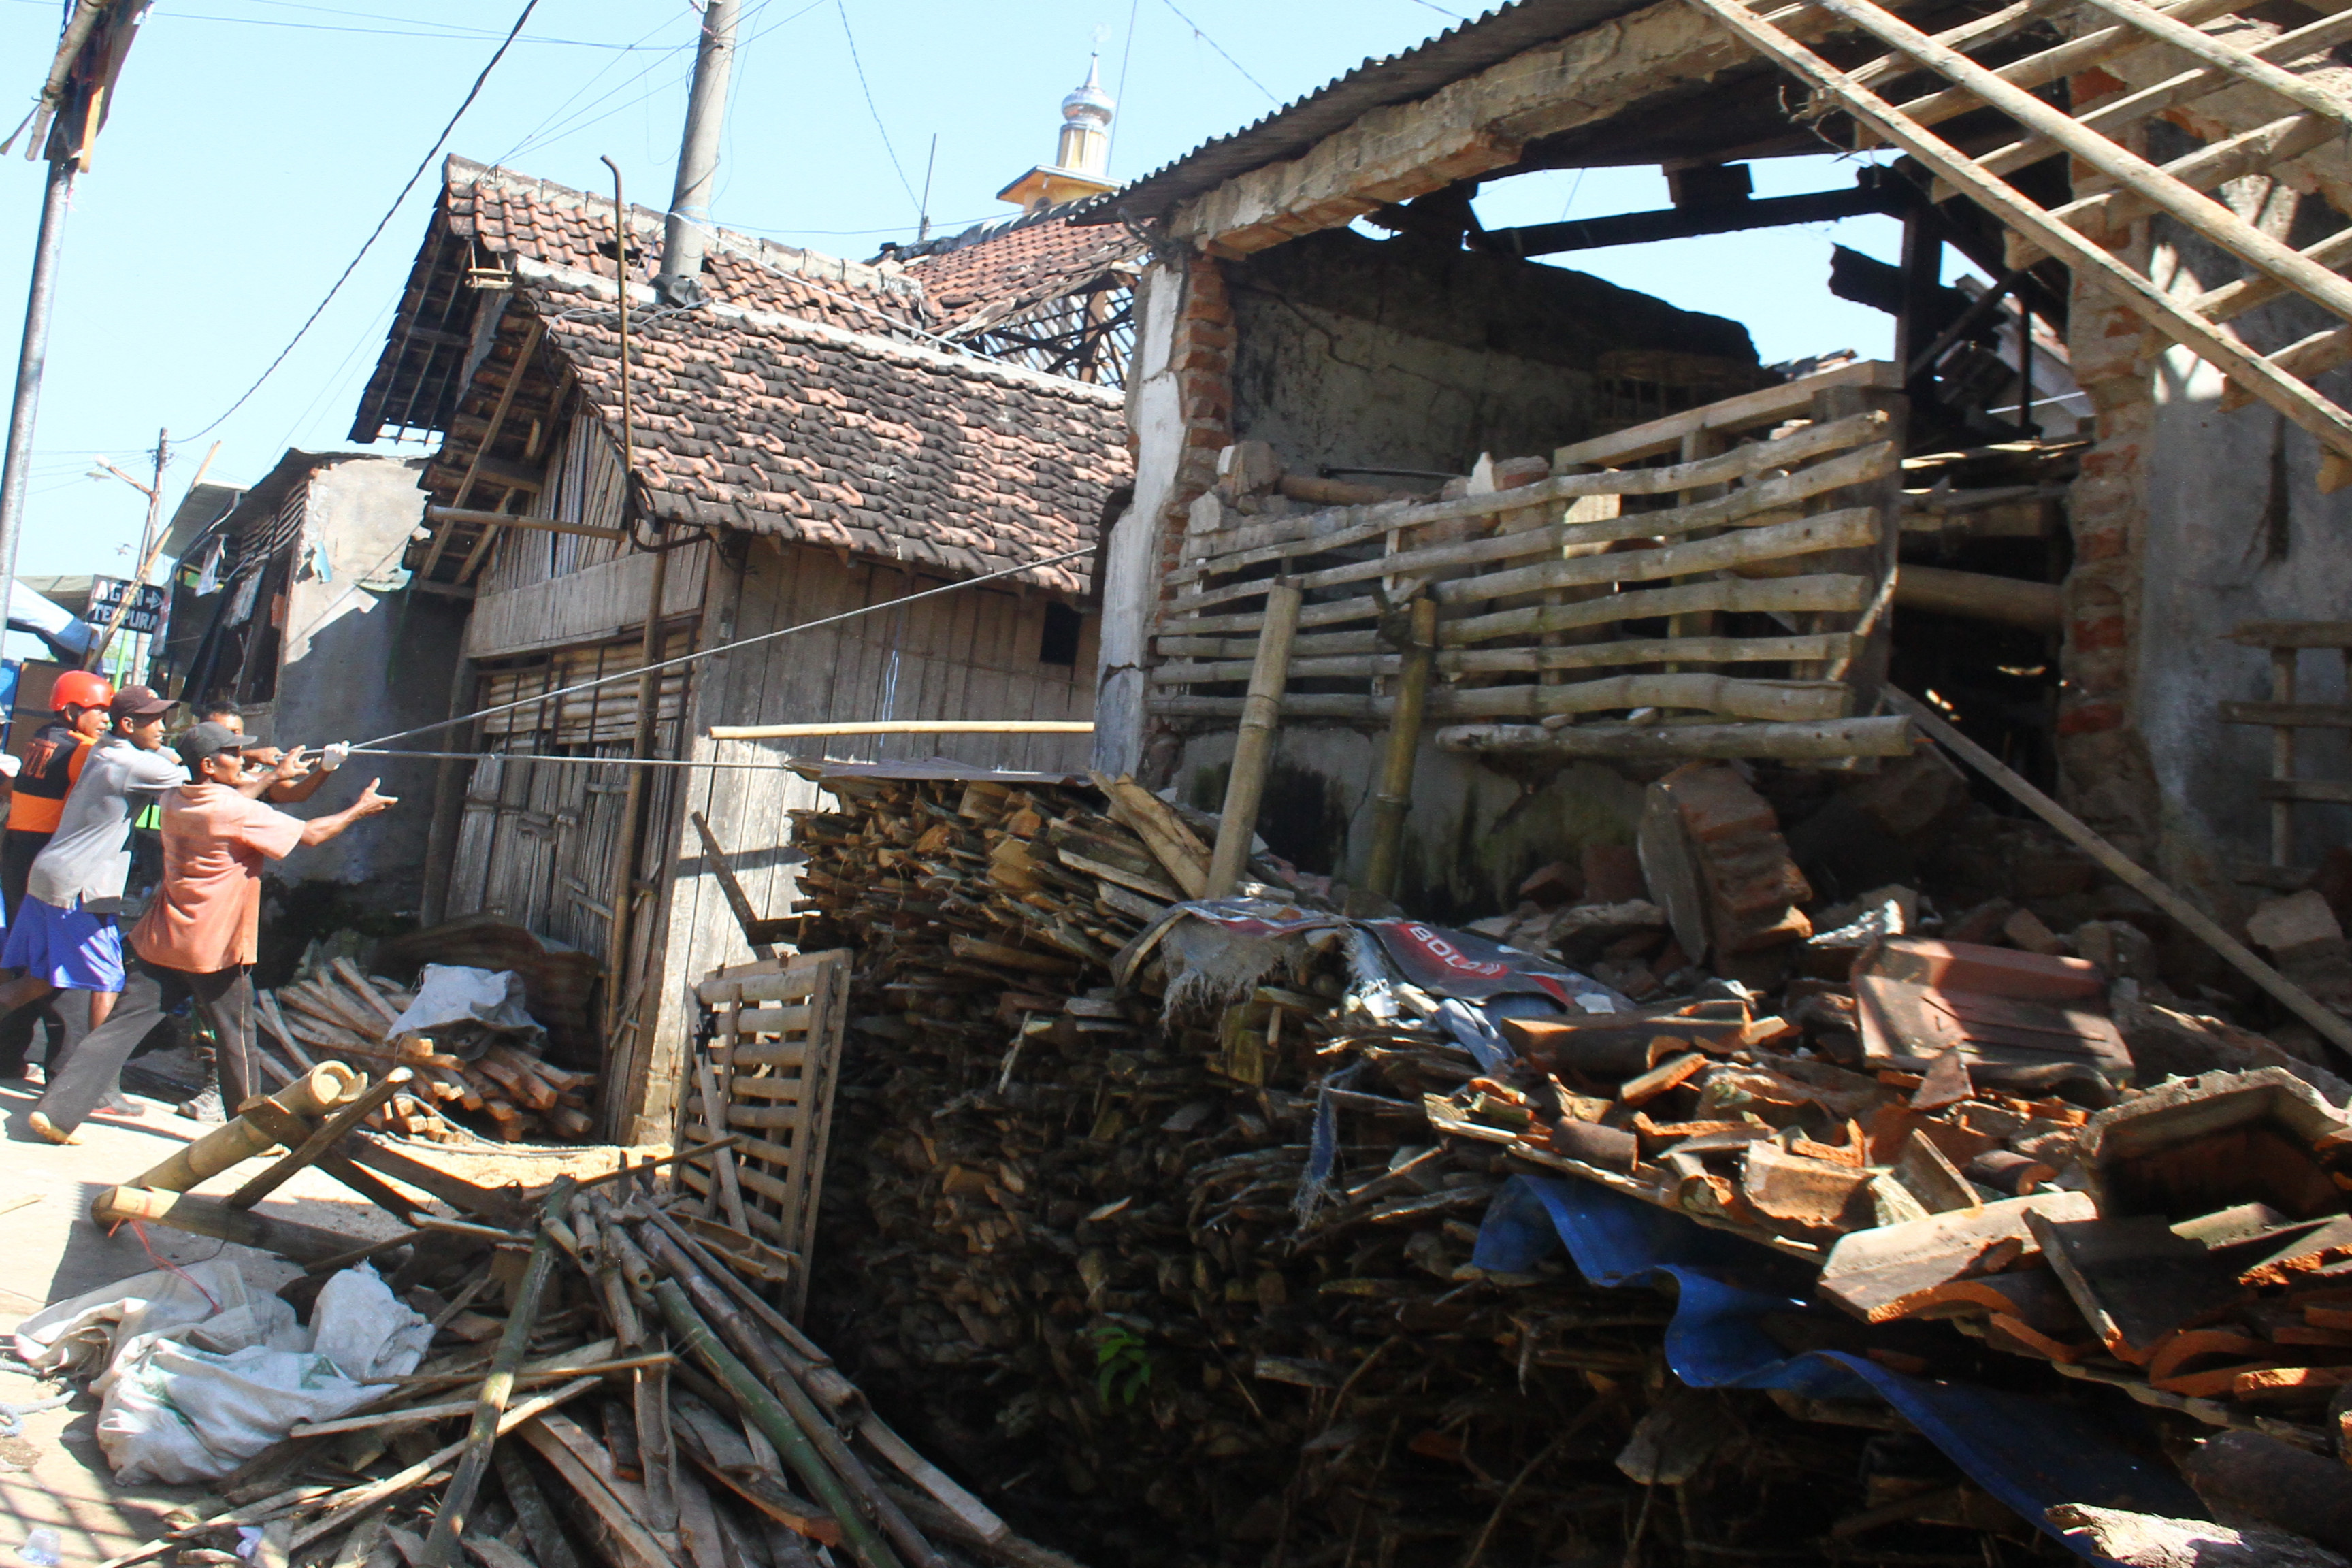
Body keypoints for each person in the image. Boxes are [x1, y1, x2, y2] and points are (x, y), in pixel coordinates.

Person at [26, 722, 396, 1143]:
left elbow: (232, 802)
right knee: (237, 1036)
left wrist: (312, 770)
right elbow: (310, 834)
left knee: (119, 1028)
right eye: (233, 753)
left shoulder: (175, 797)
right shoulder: (234, 811)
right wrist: (359, 808)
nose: (241, 760)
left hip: (164, 937)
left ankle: (56, 1113)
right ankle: (254, 1134)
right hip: (214, 945)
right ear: (208, 764)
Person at [0, 687, 185, 1091]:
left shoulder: (87, 747)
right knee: (106, 982)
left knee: (36, 981)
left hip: (42, 870)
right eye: (154, 720)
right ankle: (94, 1089)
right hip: (79, 885)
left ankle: (74, 1080)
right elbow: (201, 787)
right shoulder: (129, 762)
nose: (163, 727)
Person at [0, 670, 114, 1079]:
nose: (105, 719)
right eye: (97, 710)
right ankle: (64, 1072)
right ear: (70, 711)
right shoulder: (80, 750)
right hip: (47, 857)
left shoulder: (40, 739)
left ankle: (8, 1056)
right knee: (64, 966)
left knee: (28, 960)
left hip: (18, 855)